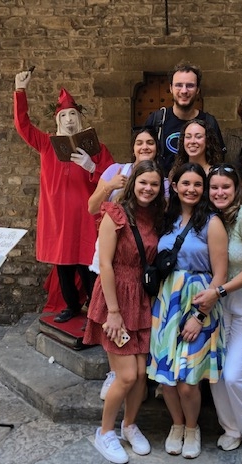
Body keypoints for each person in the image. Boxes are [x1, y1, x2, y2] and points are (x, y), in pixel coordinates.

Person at [83, 160, 166, 464]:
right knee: (127, 375)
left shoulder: (155, 218)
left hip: (141, 299)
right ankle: (105, 432)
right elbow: (105, 263)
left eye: (154, 184)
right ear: (133, 183)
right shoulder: (115, 213)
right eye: (143, 182)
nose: (148, 188)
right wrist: (113, 312)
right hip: (115, 299)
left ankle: (129, 425)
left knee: (142, 375)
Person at [14, 70, 114, 321]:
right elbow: (22, 124)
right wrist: (20, 91)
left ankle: (94, 308)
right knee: (64, 265)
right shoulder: (47, 143)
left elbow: (110, 178)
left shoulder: (96, 148)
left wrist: (92, 166)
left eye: (72, 114)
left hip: (86, 215)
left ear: (79, 118)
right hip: (57, 216)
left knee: (87, 263)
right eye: (63, 115)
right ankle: (71, 306)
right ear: (57, 119)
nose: (68, 119)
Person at [147, 163, 228, 459]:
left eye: (197, 184)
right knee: (166, 374)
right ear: (176, 186)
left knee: (188, 380)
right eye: (185, 183)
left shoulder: (211, 222)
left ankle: (192, 427)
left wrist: (200, 315)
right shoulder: (166, 220)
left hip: (198, 300)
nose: (191, 189)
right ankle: (177, 424)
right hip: (167, 301)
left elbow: (221, 274)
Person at [192, 164, 242, 456]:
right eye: (214, 187)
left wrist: (219, 291)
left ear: (236, 187)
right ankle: (231, 428)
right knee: (217, 369)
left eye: (225, 187)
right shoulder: (214, 218)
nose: (219, 192)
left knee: (236, 373)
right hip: (223, 304)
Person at [87, 127, 162, 401]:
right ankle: (115, 371)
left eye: (150, 142)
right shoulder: (114, 170)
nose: (144, 146)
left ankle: (126, 378)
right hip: (115, 252)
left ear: (156, 147)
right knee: (115, 320)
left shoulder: (158, 178)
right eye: (140, 142)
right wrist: (109, 186)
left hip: (140, 263)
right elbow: (92, 207)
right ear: (133, 147)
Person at [144, 61, 226, 176]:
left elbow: (218, 159)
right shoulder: (157, 120)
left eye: (190, 85)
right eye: (178, 85)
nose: (184, 91)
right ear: (171, 88)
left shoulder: (209, 122)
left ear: (198, 90)